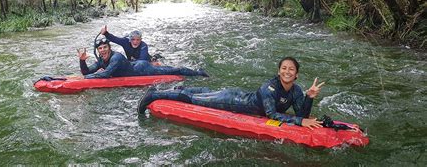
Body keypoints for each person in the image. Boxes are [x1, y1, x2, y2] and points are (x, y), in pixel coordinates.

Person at [137, 57, 324, 129]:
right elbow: (272, 115)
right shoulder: (270, 87)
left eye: (291, 69)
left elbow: (302, 115)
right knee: (195, 99)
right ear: (278, 71)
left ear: (296, 74)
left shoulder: (297, 90)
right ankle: (154, 94)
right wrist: (300, 121)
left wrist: (309, 98)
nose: (287, 72)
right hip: (233, 100)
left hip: (240, 95)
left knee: (207, 93)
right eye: (284, 68)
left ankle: (181, 88)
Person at [77, 37, 209, 79]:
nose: (103, 50)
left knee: (174, 70)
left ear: (109, 48)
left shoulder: (116, 57)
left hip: (141, 69)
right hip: (134, 65)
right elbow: (86, 72)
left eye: (105, 47)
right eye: (100, 49)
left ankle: (198, 73)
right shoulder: (101, 59)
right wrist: (82, 60)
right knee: (170, 69)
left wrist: (85, 79)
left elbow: (106, 74)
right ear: (98, 51)